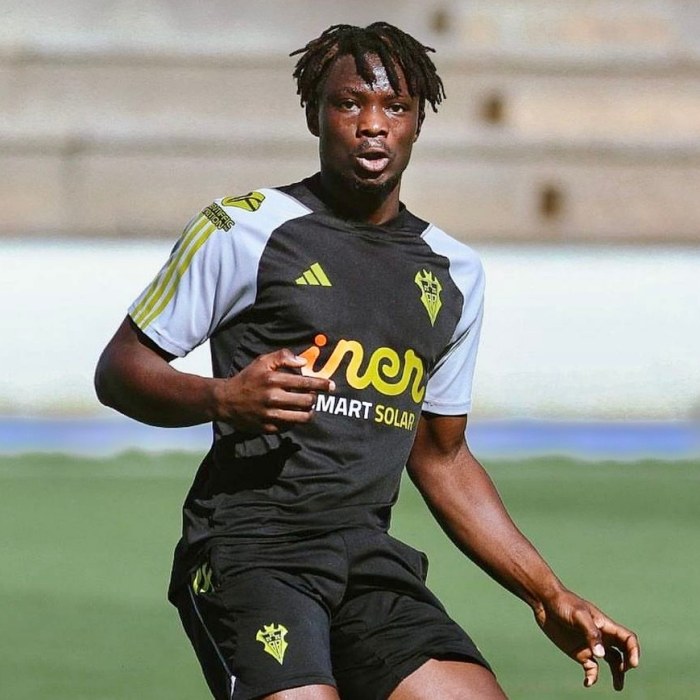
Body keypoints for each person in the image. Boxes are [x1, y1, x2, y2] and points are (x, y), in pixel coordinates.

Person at [95, 22, 639, 700]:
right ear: (315, 114)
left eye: (395, 106)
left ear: (418, 122)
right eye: (350, 103)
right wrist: (223, 397)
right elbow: (119, 370)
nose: (373, 124)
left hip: (368, 560)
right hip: (250, 551)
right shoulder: (242, 228)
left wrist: (547, 593)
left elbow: (442, 458)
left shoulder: (454, 272)